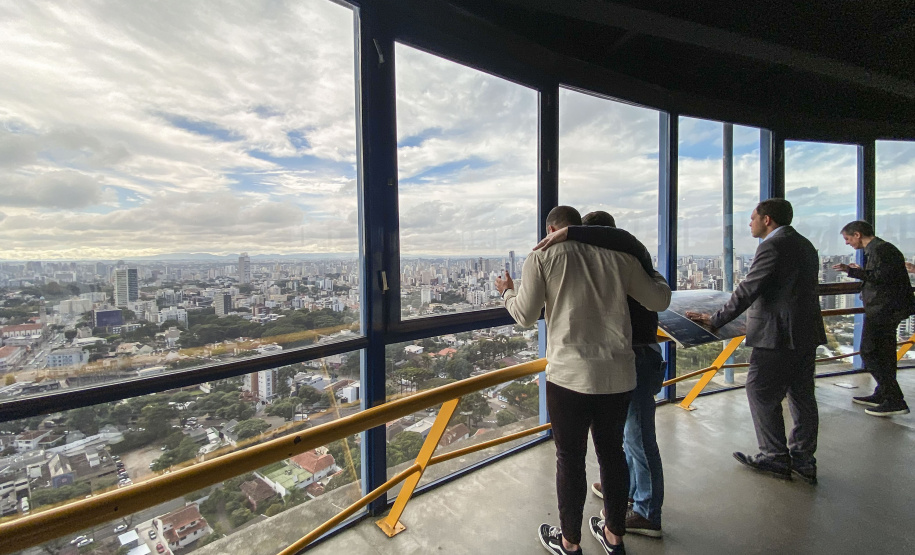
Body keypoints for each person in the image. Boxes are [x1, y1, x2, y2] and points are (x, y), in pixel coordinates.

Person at [496, 206, 671, 555]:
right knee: (613, 454)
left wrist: (506, 292)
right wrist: (657, 275)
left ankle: (569, 542)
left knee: (570, 460)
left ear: (551, 228)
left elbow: (525, 316)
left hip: (569, 376)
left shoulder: (542, 256)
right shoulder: (619, 256)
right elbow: (659, 299)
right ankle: (614, 536)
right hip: (618, 375)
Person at [685, 198, 825, 484]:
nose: (749, 223)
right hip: (805, 332)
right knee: (802, 396)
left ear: (767, 220)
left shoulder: (772, 245)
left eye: (752, 218)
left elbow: (749, 289)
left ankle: (774, 456)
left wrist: (715, 319)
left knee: (759, 390)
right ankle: (803, 459)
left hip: (777, 335)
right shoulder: (805, 244)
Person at [832, 221, 915, 416]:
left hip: (883, 309)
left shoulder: (880, 250)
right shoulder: (881, 249)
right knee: (884, 353)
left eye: (848, 238)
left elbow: (879, 277)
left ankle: (894, 398)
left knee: (869, 352)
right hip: (887, 308)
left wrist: (851, 271)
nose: (847, 243)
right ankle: (883, 393)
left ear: (858, 234)